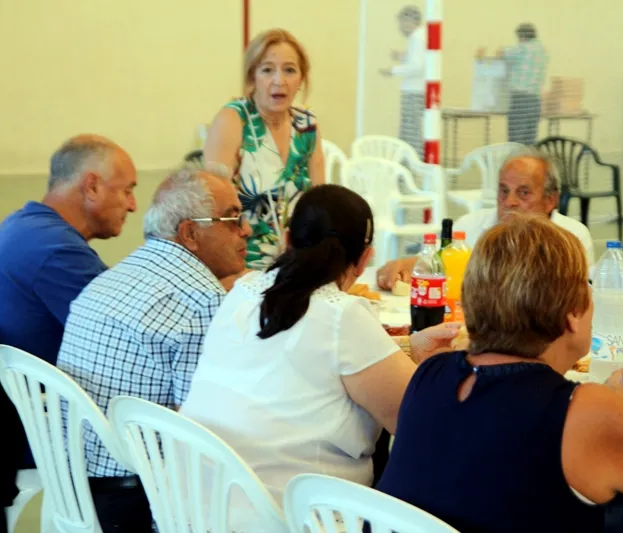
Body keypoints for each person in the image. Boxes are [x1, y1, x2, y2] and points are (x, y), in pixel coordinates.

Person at [376, 214, 623, 533]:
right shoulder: (588, 414)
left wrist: (604, 399)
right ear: (572, 314)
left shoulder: (432, 372)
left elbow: (501, 432)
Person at [179, 185, 459, 515]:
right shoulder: (342, 315)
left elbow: (306, 355)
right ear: (363, 260)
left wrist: (408, 348)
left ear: (287, 239)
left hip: (194, 506)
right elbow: (420, 421)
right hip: (290, 516)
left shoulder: (243, 291)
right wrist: (436, 368)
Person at [0, 134, 137, 533]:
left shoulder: (25, 225)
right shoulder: (56, 250)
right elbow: (130, 333)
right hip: (27, 432)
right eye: (127, 190)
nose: (133, 205)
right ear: (91, 186)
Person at [56, 167, 250, 532]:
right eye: (233, 219)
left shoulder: (114, 277)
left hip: (73, 482)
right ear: (190, 233)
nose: (247, 230)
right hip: (138, 501)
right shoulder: (201, 299)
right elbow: (204, 425)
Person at [376, 150, 594, 290]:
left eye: (523, 193)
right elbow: (436, 262)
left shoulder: (572, 237)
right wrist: (402, 266)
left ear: (550, 200)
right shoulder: (470, 226)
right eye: (504, 191)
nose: (509, 202)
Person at [203, 28, 325, 270]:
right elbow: (212, 208)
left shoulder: (307, 125)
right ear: (252, 77)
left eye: (289, 70)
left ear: (301, 79)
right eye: (267, 70)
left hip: (297, 262)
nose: (279, 81)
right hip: (242, 264)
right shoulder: (233, 120)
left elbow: (321, 203)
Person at [478, 23, 548, 144]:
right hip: (535, 101)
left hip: (520, 99)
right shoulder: (542, 51)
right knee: (530, 141)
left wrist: (483, 57)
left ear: (522, 36)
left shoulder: (522, 49)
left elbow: (501, 53)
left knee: (515, 140)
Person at [379, 5, 426, 159]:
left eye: (401, 22)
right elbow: (418, 60)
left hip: (414, 92)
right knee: (410, 131)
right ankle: (408, 164)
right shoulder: (420, 36)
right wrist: (403, 56)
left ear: (410, 21)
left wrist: (392, 71)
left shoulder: (417, 37)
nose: (400, 27)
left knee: (411, 133)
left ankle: (412, 166)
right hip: (415, 91)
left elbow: (417, 66)